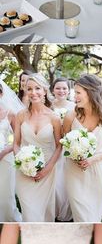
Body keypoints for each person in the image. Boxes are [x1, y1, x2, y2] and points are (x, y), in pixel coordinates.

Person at [63, 74, 102, 222]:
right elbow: (64, 143)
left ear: (91, 92)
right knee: (81, 212)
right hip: (74, 170)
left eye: (78, 92)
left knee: (93, 210)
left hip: (97, 169)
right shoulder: (70, 116)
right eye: (75, 93)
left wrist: (93, 159)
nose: (75, 96)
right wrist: (74, 156)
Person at [14, 73, 61, 222]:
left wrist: (48, 168)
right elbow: (16, 143)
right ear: (25, 91)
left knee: (45, 211)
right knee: (29, 212)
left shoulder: (54, 117)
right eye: (29, 89)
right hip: (24, 170)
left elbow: (59, 146)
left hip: (47, 169)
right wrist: (22, 164)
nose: (33, 92)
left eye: (37, 88)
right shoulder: (20, 115)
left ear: (45, 91)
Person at [51, 77, 74, 221]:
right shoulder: (48, 106)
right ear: (53, 90)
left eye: (64, 88)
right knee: (55, 180)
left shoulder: (73, 106)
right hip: (51, 145)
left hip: (68, 146)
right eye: (58, 88)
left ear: (69, 90)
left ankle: (67, 210)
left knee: (66, 179)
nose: (61, 91)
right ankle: (54, 209)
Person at [0, 81, 23, 221]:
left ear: (1, 94)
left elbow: (18, 139)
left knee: (5, 195)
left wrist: (5, 151)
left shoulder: (10, 114)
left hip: (5, 158)